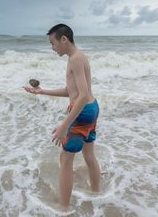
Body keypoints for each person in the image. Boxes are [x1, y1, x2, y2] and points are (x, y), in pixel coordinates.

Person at [23, 23, 101, 209]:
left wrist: (65, 125)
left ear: (64, 39)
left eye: (53, 43)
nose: (52, 48)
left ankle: (63, 207)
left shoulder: (75, 59)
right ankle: (99, 194)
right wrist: (42, 92)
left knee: (65, 160)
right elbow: (71, 91)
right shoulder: (78, 57)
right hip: (92, 108)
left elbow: (80, 96)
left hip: (81, 112)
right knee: (89, 154)